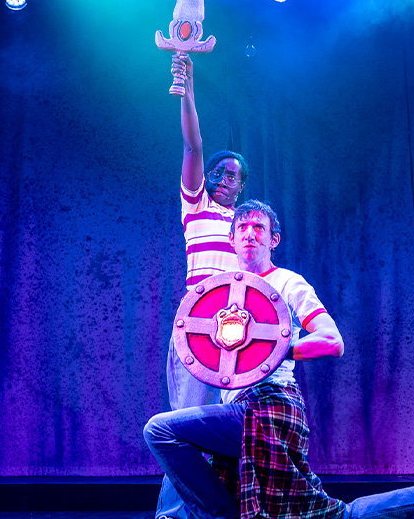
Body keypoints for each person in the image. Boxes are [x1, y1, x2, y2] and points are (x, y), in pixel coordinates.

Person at [145, 201, 414, 519]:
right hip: (238, 409)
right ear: (232, 239)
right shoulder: (224, 291)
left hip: (270, 407)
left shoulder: (288, 283)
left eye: (259, 228)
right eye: (242, 227)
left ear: (274, 240)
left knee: (160, 430)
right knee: (324, 516)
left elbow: (332, 341)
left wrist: (272, 349)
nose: (250, 234)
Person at [159, 51, 252, 519]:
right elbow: (193, 146)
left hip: (238, 338)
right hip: (197, 331)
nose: (223, 179)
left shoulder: (247, 231)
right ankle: (172, 516)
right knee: (184, 428)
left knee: (233, 432)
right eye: (219, 171)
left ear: (241, 187)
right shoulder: (197, 207)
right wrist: (188, 89)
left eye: (233, 176)